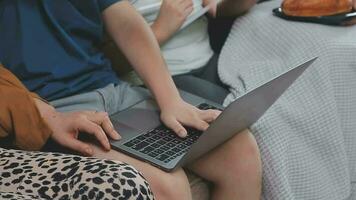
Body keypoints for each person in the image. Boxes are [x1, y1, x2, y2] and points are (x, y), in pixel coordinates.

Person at [0, 1, 261, 200]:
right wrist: (48, 117)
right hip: (53, 108)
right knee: (166, 186)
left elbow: (127, 23)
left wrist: (172, 101)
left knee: (241, 151)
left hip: (113, 90)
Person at [0, 66, 154, 199]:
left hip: (110, 88)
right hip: (59, 97)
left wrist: (48, 116)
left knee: (127, 182)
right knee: (141, 185)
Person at [131, 0, 256, 104]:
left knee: (261, 94)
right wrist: (160, 29)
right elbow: (115, 60)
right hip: (165, 75)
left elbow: (216, 8)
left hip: (209, 58)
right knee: (239, 110)